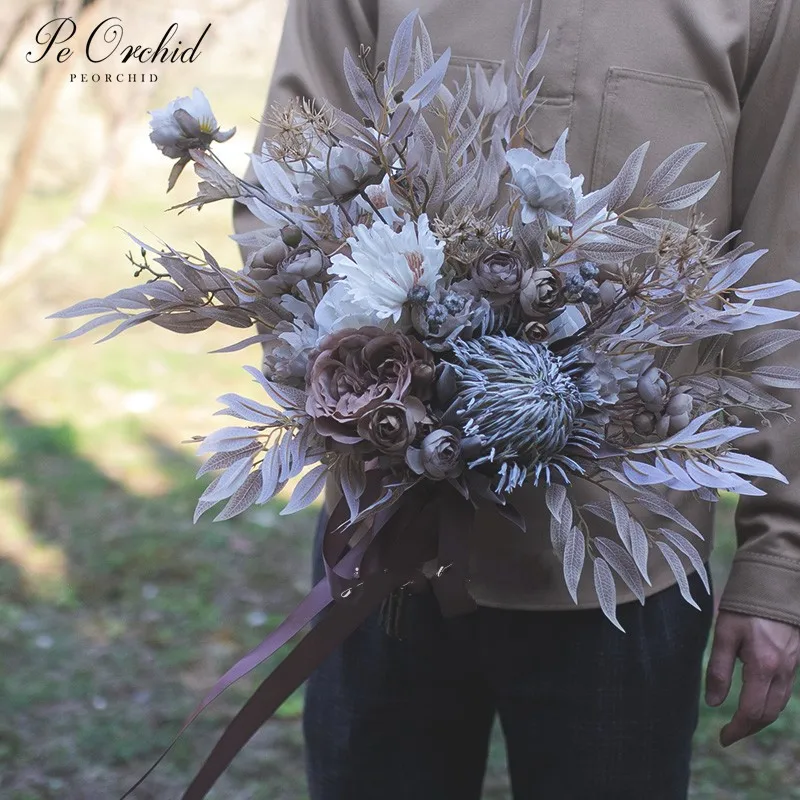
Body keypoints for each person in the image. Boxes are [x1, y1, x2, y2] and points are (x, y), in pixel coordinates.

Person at [233, 2, 800, 798]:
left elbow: (785, 266)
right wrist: (363, 397)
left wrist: (778, 560)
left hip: (630, 556)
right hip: (390, 542)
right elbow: (286, 199)